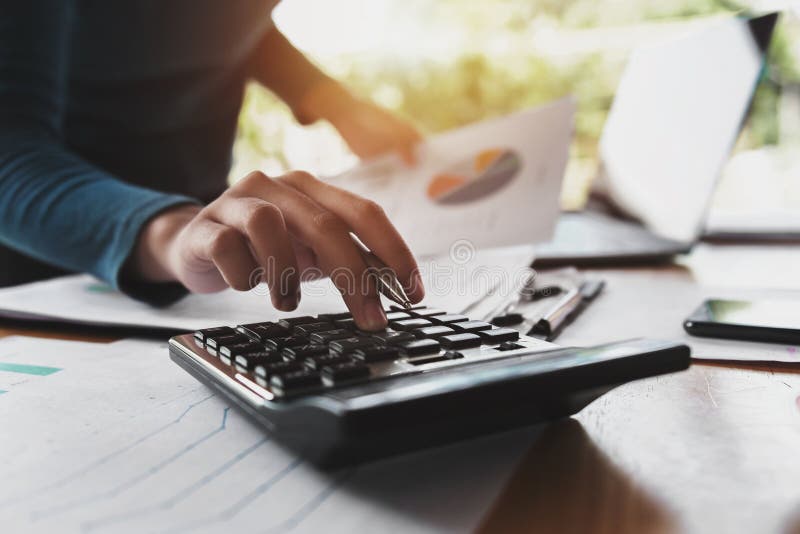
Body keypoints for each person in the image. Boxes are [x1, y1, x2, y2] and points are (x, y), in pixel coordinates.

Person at [0, 1, 425, 331]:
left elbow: (230, 20)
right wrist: (171, 232)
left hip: (207, 261)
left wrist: (324, 97)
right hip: (53, 272)